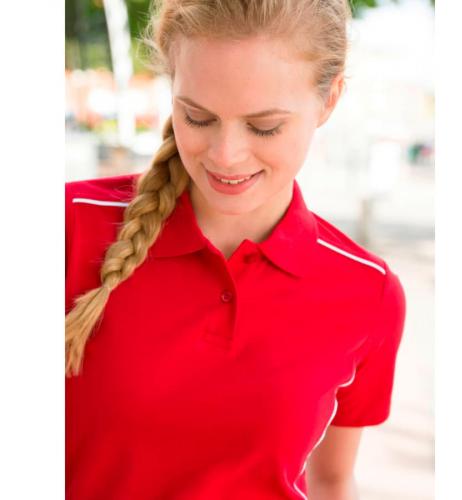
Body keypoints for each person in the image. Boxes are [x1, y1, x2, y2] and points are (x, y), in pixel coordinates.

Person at [65, 1, 406, 499]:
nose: (226, 155)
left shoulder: (368, 292)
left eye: (264, 126)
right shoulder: (67, 226)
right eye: (197, 117)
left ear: (329, 99)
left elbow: (331, 481)